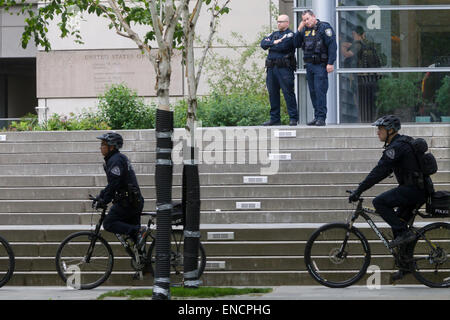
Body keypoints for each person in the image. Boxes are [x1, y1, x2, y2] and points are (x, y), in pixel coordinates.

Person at [348, 115, 428, 280]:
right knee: (398, 223)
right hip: (417, 189)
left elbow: (379, 171)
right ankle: (406, 266)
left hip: (414, 190)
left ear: (390, 130)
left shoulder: (396, 148)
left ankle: (404, 235)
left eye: (380, 129)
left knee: (379, 202)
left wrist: (359, 190)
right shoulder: (402, 142)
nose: (378, 132)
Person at [93, 132, 147, 248]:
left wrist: (104, 200)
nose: (100, 147)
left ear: (111, 146)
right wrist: (100, 196)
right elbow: (112, 183)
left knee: (108, 223)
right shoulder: (116, 158)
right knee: (136, 245)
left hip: (128, 203)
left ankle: (137, 231)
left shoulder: (115, 160)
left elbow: (114, 184)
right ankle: (143, 263)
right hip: (132, 201)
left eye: (103, 144)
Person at [294, 10, 337, 126]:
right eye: (304, 20)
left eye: (307, 19)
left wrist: (330, 63)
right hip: (309, 66)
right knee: (313, 92)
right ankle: (317, 116)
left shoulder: (324, 27)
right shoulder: (304, 30)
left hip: (320, 65)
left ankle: (321, 118)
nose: (306, 22)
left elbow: (332, 45)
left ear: (314, 16)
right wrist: (299, 29)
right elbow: (296, 43)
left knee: (320, 91)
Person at [261, 14, 299, 126]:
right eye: (278, 21)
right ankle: (275, 118)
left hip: (284, 69)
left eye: (281, 22)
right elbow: (263, 44)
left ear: (287, 23)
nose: (278, 23)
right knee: (273, 93)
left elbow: (283, 47)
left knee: (288, 93)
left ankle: (293, 118)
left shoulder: (290, 35)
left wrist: (272, 44)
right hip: (271, 68)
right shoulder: (274, 34)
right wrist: (274, 42)